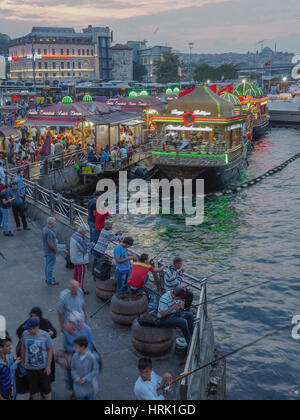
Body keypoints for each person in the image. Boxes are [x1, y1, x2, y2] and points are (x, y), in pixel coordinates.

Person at [20, 318, 54, 401]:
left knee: (46, 390)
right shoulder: (25, 334)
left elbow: (50, 349)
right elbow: (23, 346)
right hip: (30, 369)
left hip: (43, 369)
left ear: (37, 327)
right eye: (27, 328)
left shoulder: (45, 335)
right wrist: (23, 361)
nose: (28, 330)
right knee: (33, 390)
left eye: (30, 329)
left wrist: (48, 366)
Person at [71, 336, 99, 401]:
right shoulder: (74, 357)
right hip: (79, 389)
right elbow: (73, 369)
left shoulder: (91, 357)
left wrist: (84, 379)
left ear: (82, 347)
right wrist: (77, 378)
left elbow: (95, 370)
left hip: (90, 388)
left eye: (76, 346)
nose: (74, 348)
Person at [70, 226, 91, 295]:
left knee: (75, 273)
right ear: (82, 232)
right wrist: (90, 245)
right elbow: (85, 250)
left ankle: (74, 286)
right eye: (85, 231)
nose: (85, 233)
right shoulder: (80, 239)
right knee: (81, 275)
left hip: (74, 258)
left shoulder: (73, 235)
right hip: (80, 260)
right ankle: (80, 290)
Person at [0, 336, 22, 401]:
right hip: (3, 394)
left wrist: (16, 361)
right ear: (0, 348)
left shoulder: (9, 355)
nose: (11, 347)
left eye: (10, 345)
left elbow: (10, 367)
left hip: (12, 390)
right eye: (7, 346)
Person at [42, 217, 59, 286]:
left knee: (47, 265)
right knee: (50, 266)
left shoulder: (44, 229)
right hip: (50, 251)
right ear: (51, 223)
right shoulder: (49, 232)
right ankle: (50, 280)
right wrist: (55, 250)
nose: (55, 223)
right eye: (54, 222)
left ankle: (48, 278)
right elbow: (50, 243)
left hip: (46, 250)